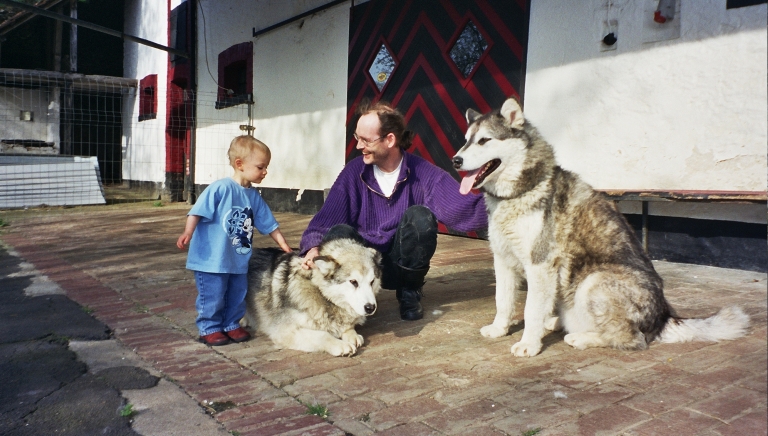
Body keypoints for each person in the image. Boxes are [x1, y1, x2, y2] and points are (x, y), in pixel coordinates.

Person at [300, 101, 487, 321]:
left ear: (390, 140)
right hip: (361, 265)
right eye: (357, 137)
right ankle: (343, 303)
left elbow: (463, 208)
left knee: (421, 218)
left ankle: (409, 292)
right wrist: (312, 247)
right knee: (339, 232)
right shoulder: (354, 171)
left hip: (401, 264)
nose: (359, 146)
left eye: (366, 140)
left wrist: (510, 198)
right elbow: (325, 221)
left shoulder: (423, 172)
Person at [177, 135, 292, 346]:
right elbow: (197, 211)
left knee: (237, 293)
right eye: (260, 167)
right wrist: (188, 232)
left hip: (237, 259)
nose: (265, 172)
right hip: (211, 260)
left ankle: (231, 323)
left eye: (266, 167)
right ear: (240, 164)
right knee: (213, 295)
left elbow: (269, 224)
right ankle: (209, 327)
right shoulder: (220, 188)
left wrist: (284, 246)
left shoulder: (253, 196)